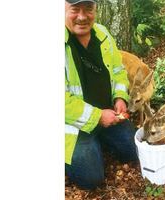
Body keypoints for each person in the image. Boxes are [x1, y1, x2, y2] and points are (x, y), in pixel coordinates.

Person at [65, 0, 138, 190]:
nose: (82, 16)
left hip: (109, 114)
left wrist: (120, 97)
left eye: (88, 9)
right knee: (90, 178)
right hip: (73, 125)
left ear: (95, 10)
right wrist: (97, 117)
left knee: (137, 150)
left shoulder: (102, 33)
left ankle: (99, 141)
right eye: (75, 9)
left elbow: (118, 70)